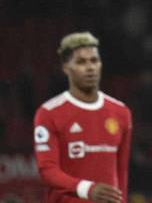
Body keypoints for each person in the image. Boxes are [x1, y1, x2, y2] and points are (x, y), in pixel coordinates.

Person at [33, 32, 132, 203]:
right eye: (81, 62)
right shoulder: (49, 113)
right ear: (66, 68)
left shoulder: (121, 112)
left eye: (94, 60)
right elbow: (47, 171)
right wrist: (87, 189)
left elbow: (121, 171)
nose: (90, 67)